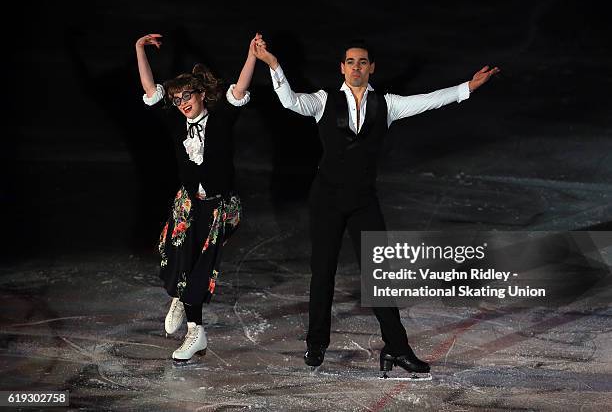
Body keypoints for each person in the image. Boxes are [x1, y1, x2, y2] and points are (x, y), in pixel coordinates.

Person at [253, 37, 499, 376]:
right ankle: (316, 343)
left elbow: (427, 101)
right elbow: (289, 101)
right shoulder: (323, 101)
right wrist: (273, 64)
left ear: (371, 68)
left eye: (362, 61)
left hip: (363, 200)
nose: (356, 67)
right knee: (323, 273)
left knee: (380, 275)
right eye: (351, 61)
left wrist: (466, 88)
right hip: (326, 199)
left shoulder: (388, 105)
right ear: (342, 67)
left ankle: (397, 349)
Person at [136, 32, 260, 361]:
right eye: (177, 100)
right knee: (177, 256)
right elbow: (150, 90)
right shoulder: (178, 124)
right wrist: (139, 50)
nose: (182, 104)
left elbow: (239, 89)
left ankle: (195, 330)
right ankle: (186, 311)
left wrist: (252, 56)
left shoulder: (221, 119)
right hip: (188, 203)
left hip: (220, 206)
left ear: (201, 93)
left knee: (200, 270)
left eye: (187, 96)